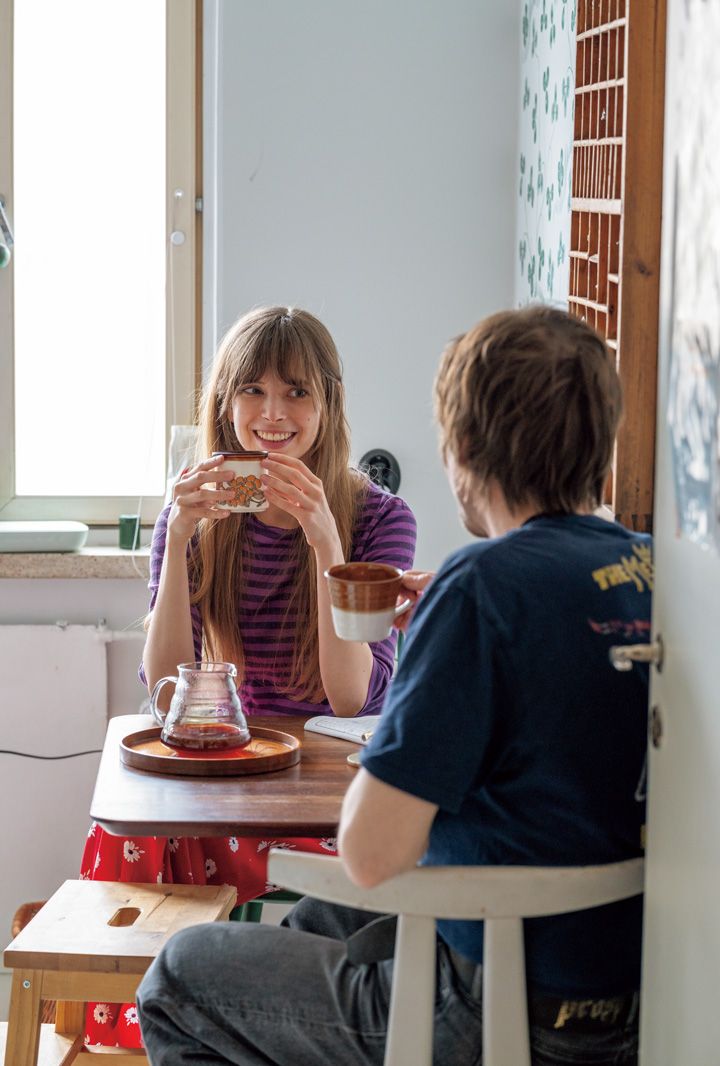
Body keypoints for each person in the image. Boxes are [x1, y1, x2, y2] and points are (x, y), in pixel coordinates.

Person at [136, 305, 651, 1066]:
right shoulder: (646, 567)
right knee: (314, 919)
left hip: (496, 997)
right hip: (625, 984)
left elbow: (372, 852)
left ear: (462, 448)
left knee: (179, 976)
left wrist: (450, 620)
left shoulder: (476, 588)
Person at [80, 306, 417, 1049]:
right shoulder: (196, 505)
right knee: (133, 830)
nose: (273, 414)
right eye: (252, 392)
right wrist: (179, 537)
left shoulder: (380, 517)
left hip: (328, 785)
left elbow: (352, 696)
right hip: (227, 768)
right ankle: (161, 1025)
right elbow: (166, 684)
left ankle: (260, 1022)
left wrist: (326, 537)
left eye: (297, 392)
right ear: (224, 403)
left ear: (328, 404)